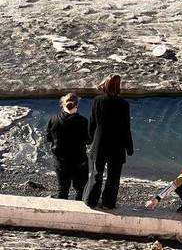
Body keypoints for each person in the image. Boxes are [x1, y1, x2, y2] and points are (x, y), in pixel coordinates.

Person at [83, 74, 133, 210]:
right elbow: (126, 127)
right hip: (117, 145)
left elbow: (92, 123)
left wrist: (89, 140)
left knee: (96, 174)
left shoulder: (98, 101)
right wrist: (129, 147)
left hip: (100, 144)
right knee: (113, 176)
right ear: (118, 86)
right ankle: (108, 203)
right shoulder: (124, 104)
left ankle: (91, 201)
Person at [46, 93, 89, 200]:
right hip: (79, 161)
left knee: (62, 189)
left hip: (60, 161)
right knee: (80, 189)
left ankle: (61, 213)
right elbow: (89, 140)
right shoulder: (83, 121)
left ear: (63, 104)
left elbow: (48, 138)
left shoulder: (53, 119)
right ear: (77, 105)